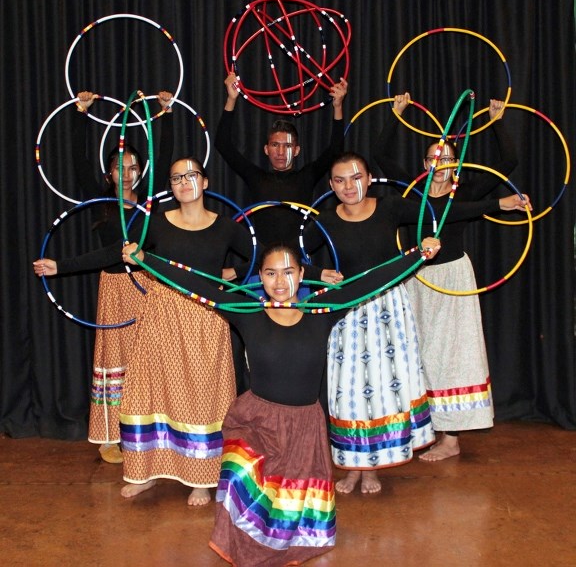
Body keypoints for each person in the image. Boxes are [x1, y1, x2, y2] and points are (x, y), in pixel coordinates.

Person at [122, 238, 441, 566]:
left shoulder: (323, 311)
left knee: (290, 508)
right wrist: (146, 259)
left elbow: (372, 280)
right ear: (260, 277)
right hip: (257, 423)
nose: (279, 281)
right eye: (270, 273)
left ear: (302, 274)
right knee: (244, 488)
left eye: (288, 272)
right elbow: (195, 284)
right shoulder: (247, 314)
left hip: (303, 427)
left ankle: (288, 537)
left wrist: (419, 255)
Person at [303, 151, 531, 493]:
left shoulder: (391, 206)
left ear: (368, 179)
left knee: (381, 390)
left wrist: (500, 204)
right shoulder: (325, 220)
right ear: (331, 185)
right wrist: (318, 272)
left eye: (355, 177)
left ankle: (373, 469)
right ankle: (351, 466)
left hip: (389, 308)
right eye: (340, 180)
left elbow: (445, 211)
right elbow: (294, 252)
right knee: (347, 391)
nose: (349, 186)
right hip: (347, 311)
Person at [35, 157, 255, 506]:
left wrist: (228, 275)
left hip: (204, 321)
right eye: (176, 177)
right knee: (144, 394)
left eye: (191, 175)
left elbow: (258, 257)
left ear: (206, 181)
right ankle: (145, 472)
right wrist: (59, 266)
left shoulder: (225, 227)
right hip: (159, 318)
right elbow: (116, 253)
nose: (184, 182)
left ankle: (200, 478)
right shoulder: (157, 223)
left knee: (200, 399)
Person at [372, 93, 520, 461]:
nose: (439, 164)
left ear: (456, 163)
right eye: (433, 158)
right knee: (417, 352)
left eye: (447, 159)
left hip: (453, 279)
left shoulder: (465, 191)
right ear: (424, 163)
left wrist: (498, 121)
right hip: (416, 277)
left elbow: (510, 162)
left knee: (453, 352)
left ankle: (451, 438)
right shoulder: (414, 190)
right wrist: (397, 114)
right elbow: (379, 156)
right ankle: (421, 428)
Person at [33, 90, 174, 464]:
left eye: (132, 168)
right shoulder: (100, 201)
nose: (125, 174)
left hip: (149, 288)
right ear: (108, 173)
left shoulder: (152, 203)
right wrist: (81, 114)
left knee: (149, 360)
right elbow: (79, 162)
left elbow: (166, 158)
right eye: (118, 168)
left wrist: (167, 113)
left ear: (141, 172)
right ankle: (113, 435)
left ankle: (150, 433)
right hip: (114, 289)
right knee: (116, 360)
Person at [215, 71, 348, 245]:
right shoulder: (256, 177)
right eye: (275, 145)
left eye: (287, 146)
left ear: (297, 150)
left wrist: (337, 106)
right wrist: (231, 99)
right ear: (266, 149)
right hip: (263, 261)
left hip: (297, 262)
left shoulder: (307, 176)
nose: (280, 152)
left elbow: (335, 150)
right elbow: (222, 143)